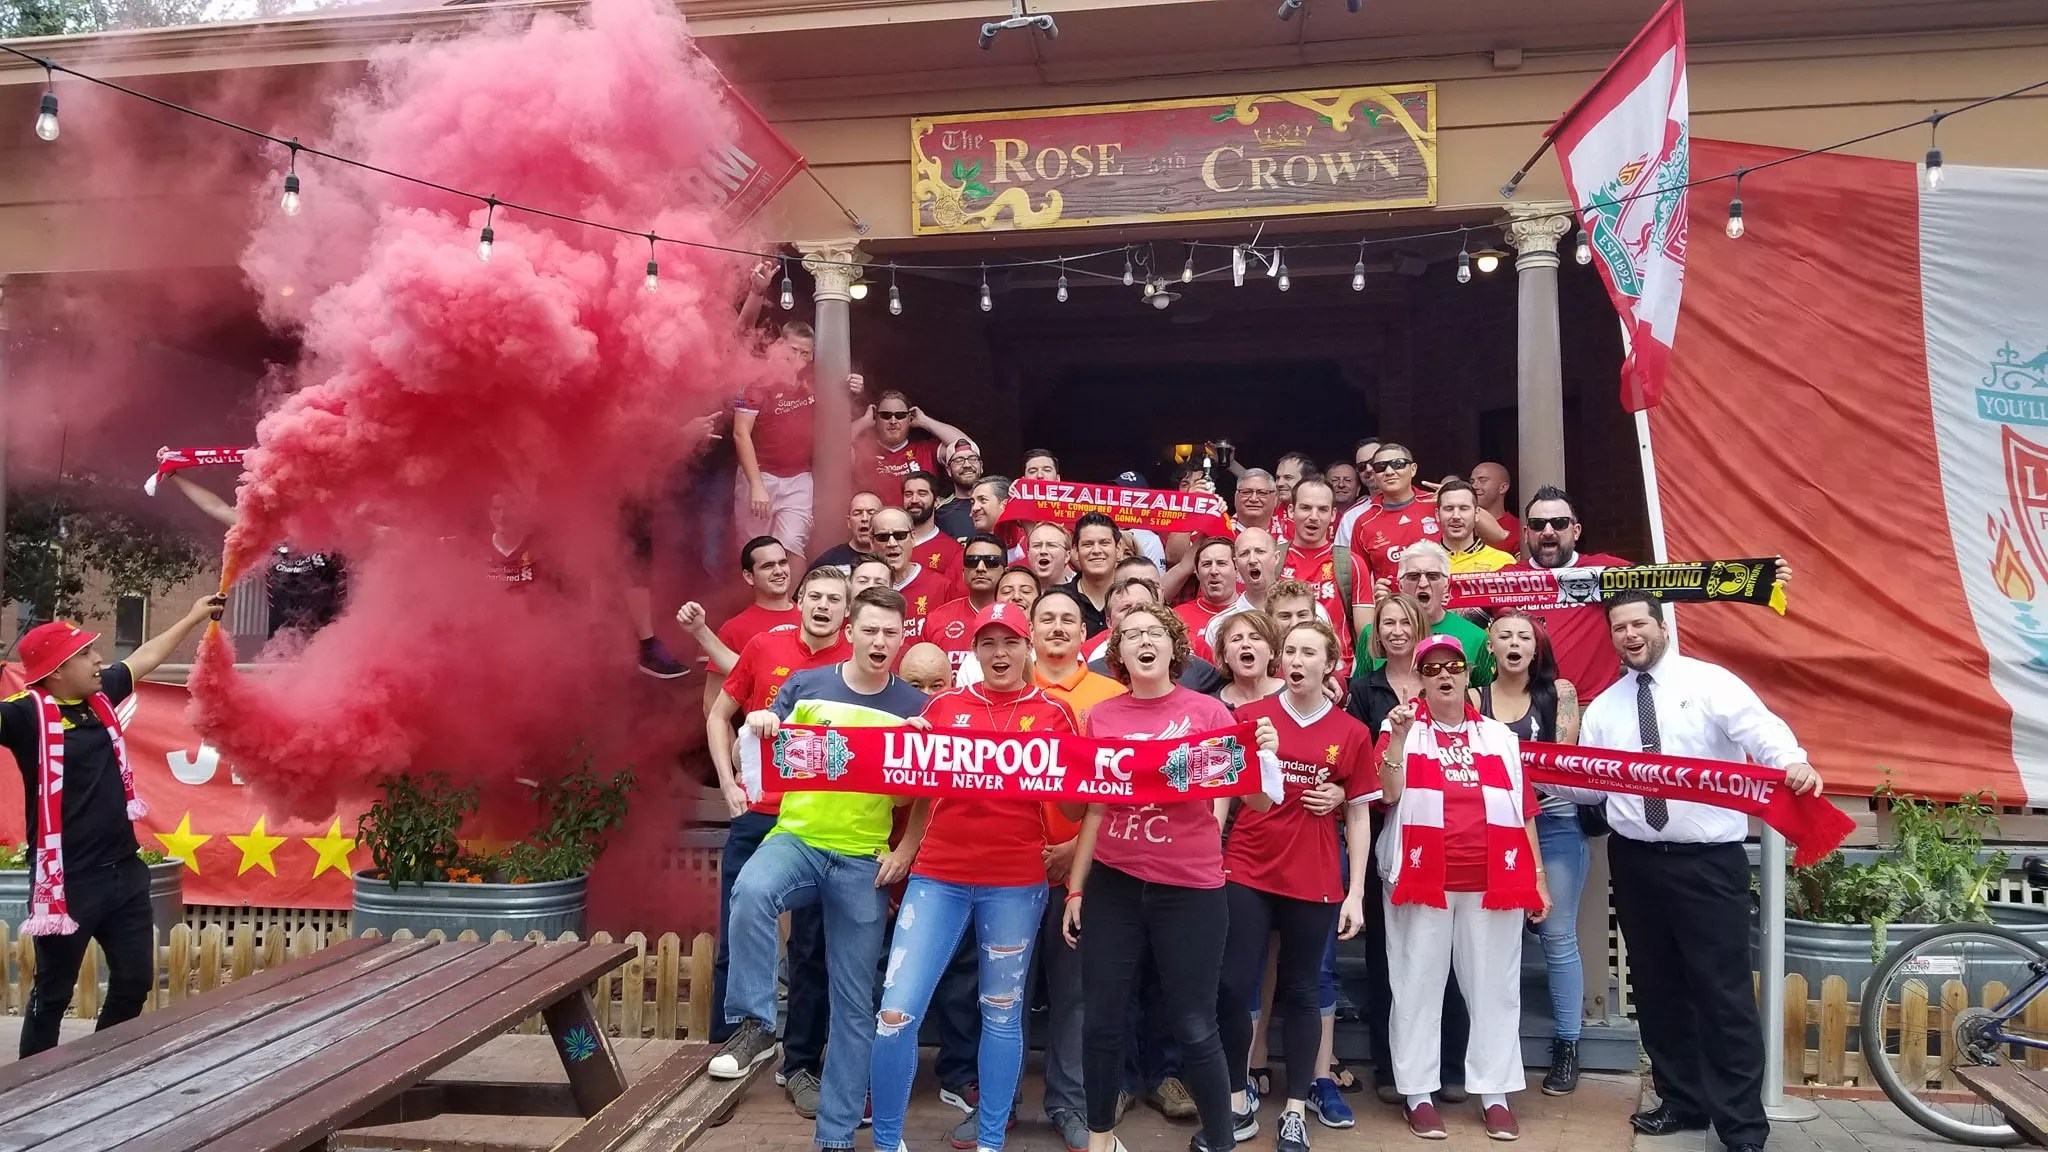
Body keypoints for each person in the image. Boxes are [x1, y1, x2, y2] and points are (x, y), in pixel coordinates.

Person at [1540, 592, 1823, 1152]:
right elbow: (1591, 786)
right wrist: (1529, 769)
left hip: (1708, 864)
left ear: (1661, 626)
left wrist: (1791, 760)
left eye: (1638, 624)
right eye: (1619, 628)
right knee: (1656, 988)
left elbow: (1760, 731)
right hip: (1637, 862)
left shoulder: (1710, 684)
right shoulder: (1607, 708)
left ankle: (1741, 1127)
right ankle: (1681, 1100)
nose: (1629, 635)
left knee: (1723, 994)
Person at [711, 587, 929, 1152]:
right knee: (751, 891)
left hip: (862, 859)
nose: (880, 641)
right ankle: (757, 1025)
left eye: (890, 632)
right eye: (870, 630)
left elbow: (924, 791)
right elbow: (752, 753)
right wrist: (757, 726)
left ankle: (835, 1139)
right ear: (849, 632)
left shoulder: (914, 705)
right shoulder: (805, 685)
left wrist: (905, 850)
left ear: (902, 640)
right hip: (798, 839)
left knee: (855, 1005)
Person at [1063, 603, 1279, 1152]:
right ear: (1118, 653)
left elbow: (1257, 801)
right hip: (1114, 884)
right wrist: (1076, 887)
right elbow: (1085, 810)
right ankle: (1100, 1140)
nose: (1143, 641)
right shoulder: (1101, 718)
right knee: (1101, 1022)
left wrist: (1263, 757)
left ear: (1173, 646)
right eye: (1131, 634)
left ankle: (1222, 1139)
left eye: (1154, 633)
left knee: (1194, 1023)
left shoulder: (1209, 713)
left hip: (1190, 890)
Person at [869, 602, 1078, 1152]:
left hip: (1015, 881)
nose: (1000, 653)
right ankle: (887, 1143)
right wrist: (905, 749)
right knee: (895, 1012)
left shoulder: (1054, 713)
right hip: (938, 876)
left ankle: (990, 1142)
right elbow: (911, 793)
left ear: (1028, 647)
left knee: (1002, 1015)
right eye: (989, 643)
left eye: (1010, 642)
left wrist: (1079, 779)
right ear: (975, 651)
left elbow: (1077, 806)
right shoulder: (943, 706)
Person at [8, 592, 228, 1056]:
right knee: (53, 996)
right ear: (56, 671)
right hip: (68, 883)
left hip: (125, 874)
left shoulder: (101, 695)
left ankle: (96, 1068)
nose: (98, 660)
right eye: (85, 654)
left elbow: (144, 657)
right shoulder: (24, 715)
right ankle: (33, 1088)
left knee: (134, 981)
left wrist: (193, 615)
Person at [1376, 634, 1549, 1142]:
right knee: (1415, 985)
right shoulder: (1399, 727)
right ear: (1419, 680)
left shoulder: (1499, 736)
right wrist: (1397, 739)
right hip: (1421, 878)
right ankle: (1418, 1093)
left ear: (1468, 673)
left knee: (1496, 988)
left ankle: (1495, 1093)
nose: (1444, 676)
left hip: (1494, 879)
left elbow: (1525, 810)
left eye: (1452, 666)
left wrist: (1538, 878)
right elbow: (1386, 794)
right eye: (1432, 669)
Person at [1222, 621, 1377, 1152]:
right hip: (1247, 866)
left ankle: (1294, 1108)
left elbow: (1360, 813)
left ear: (1329, 664)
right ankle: (1236, 1098)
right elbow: (1230, 793)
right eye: (1289, 650)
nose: (1296, 660)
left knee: (1303, 990)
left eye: (1308, 652)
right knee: (1233, 984)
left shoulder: (1351, 732)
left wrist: (1356, 892)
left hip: (1314, 873)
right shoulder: (1251, 717)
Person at [702, 567, 849, 1114]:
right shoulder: (764, 646)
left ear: (847, 613)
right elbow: (719, 715)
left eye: (835, 600)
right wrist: (726, 783)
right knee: (737, 934)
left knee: (811, 948)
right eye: (816, 596)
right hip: (758, 812)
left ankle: (801, 1065)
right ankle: (729, 1054)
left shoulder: (853, 662)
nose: (823, 606)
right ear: (800, 601)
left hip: (817, 821)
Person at [1348, 594, 1471, 1108]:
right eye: (1387, 623)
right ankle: (1391, 1066)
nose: (1396, 630)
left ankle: (1449, 1065)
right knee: (1388, 958)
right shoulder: (1363, 690)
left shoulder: (1451, 680)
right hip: (1388, 836)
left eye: (1405, 622)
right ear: (1376, 633)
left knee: (1451, 958)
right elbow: (1357, 762)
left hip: (1450, 838)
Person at [1027, 589, 1129, 1152]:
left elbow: (1122, 788)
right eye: (1047, 618)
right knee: (1006, 995)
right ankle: (1000, 1104)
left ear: (1085, 632)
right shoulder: (1008, 688)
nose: (1059, 627)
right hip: (1010, 872)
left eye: (1069, 619)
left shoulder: (1110, 697)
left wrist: (1074, 851)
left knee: (1076, 996)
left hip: (1083, 874)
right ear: (1031, 632)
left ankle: (1068, 1103)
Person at [1473, 610, 1585, 1096]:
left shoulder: (1559, 693)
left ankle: (1568, 1043)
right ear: (1491, 647)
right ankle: (1493, 1045)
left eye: (1524, 636)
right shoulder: (1474, 699)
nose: (1515, 643)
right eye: (1505, 636)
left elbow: (1561, 763)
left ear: (1536, 648)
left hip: (1553, 823)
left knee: (1556, 934)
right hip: (1489, 827)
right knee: (1490, 939)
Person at [170, 474, 347, 641]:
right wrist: (174, 475)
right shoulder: (267, 533)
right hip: (280, 643)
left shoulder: (333, 533)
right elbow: (216, 507)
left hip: (329, 642)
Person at [1502, 486, 1633, 700]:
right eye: (1538, 525)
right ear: (1526, 533)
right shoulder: (1505, 580)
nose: (1548, 531)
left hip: (1592, 705)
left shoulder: (1607, 572)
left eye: (1559, 523)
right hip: (1525, 706)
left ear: (1576, 531)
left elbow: (1659, 593)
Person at [733, 321, 841, 562]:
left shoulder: (812, 379)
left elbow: (841, 387)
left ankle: (794, 589)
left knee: (793, 545)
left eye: (806, 353)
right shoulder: (756, 382)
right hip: (761, 475)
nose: (799, 359)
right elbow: (740, 433)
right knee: (757, 551)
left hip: (799, 477)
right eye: (794, 350)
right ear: (780, 344)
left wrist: (853, 383)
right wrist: (756, 485)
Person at [681, 536, 801, 710]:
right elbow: (712, 702)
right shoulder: (733, 630)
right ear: (749, 576)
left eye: (782, 563)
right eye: (768, 566)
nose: (778, 571)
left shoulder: (813, 618)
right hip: (763, 724)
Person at [1352, 542, 1493, 685]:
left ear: (1446, 584)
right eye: (1413, 576)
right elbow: (1357, 692)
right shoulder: (1372, 634)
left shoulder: (1476, 637)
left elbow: (1486, 695)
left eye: (1433, 576)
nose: (1423, 583)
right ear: (1400, 585)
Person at [1280, 478, 1359, 659]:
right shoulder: (1273, 560)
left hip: (1339, 668)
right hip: (1284, 667)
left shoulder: (1350, 562)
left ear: (1333, 515)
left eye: (1322, 509)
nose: (1314, 516)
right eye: (1305, 508)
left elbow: (1365, 633)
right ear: (1291, 510)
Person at [855, 390, 972, 503]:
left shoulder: (926, 449)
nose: (893, 421)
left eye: (900, 415)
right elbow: (841, 448)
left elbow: (968, 447)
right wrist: (864, 421)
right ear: (876, 417)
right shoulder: (862, 450)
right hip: (875, 517)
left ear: (909, 418)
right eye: (886, 415)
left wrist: (925, 421)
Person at [920, 534, 1009, 681]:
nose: (980, 568)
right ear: (963, 572)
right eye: (972, 561)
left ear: (1005, 572)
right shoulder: (937, 619)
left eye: (990, 561)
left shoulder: (1017, 618)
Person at [871, 508, 952, 638]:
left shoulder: (940, 587)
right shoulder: (863, 588)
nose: (892, 543)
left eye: (900, 535)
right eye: (883, 537)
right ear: (872, 542)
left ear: (913, 538)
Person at [1202, 527, 1282, 652]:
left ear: (1276, 558)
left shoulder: (1302, 612)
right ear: (1236, 563)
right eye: (1244, 554)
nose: (1252, 560)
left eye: (1260, 551)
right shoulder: (1218, 624)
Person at [1173, 537, 1241, 663]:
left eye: (1221, 563)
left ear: (1237, 569)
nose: (1214, 571)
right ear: (1197, 572)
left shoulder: (1251, 610)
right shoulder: (1177, 617)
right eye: (1206, 564)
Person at [901, 471, 965, 593]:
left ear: (936, 501)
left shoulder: (953, 550)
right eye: (908, 494)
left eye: (922, 493)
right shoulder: (889, 542)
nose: (914, 500)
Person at [1060, 512, 1121, 637]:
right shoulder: (1058, 599)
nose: (1096, 550)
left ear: (1118, 549)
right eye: (1088, 544)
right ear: (1075, 551)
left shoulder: (1133, 599)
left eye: (1104, 543)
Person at [1435, 480, 1515, 575]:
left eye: (1464, 508)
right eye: (1449, 509)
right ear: (1437, 514)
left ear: (1477, 513)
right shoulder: (1422, 561)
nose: (1456, 516)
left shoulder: (1503, 563)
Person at [1214, 609, 1282, 713]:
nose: (1245, 644)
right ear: (1225, 656)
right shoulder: (1213, 707)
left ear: (1271, 652)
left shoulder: (1294, 695)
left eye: (1255, 638)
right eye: (1236, 639)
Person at [811, 492, 886, 574]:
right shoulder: (828, 562)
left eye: (871, 513)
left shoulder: (891, 557)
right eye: (857, 513)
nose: (865, 518)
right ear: (849, 522)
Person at [937, 439, 984, 540]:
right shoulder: (940, 513)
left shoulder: (998, 505)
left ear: (981, 466)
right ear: (948, 470)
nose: (967, 465)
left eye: (973, 459)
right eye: (958, 460)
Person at [1469, 462, 1517, 546]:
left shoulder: (1517, 529)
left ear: (1503, 488)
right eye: (1472, 482)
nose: (1474, 486)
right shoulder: (1459, 524)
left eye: (1482, 481)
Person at [1233, 469, 1285, 542]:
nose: (1253, 499)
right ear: (1236, 497)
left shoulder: (1291, 533)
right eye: (1246, 492)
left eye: (1262, 493)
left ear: (1275, 498)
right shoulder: (1220, 530)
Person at [1027, 521, 1075, 590]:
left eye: (1051, 545)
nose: (1043, 551)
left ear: (1067, 556)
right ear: (1028, 554)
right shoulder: (1017, 594)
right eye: (1037, 545)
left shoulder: (1081, 592)